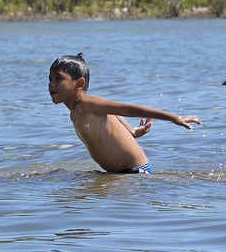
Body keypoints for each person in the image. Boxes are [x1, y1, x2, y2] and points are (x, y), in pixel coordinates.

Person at [48, 53, 199, 174]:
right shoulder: (76, 112)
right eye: (50, 79)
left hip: (136, 172)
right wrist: (131, 131)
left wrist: (173, 117)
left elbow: (129, 110)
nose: (51, 84)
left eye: (58, 78)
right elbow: (111, 112)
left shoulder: (87, 104)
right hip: (120, 173)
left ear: (79, 83)